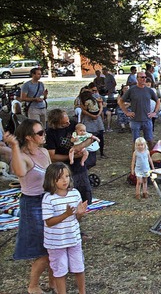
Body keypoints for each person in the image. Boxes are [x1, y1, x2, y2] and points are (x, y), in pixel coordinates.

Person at [5, 120, 55, 294]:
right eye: (40, 133)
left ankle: (52, 282)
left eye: (43, 131)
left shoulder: (43, 152)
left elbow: (51, 178)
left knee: (54, 245)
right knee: (44, 248)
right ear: (29, 137)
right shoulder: (23, 157)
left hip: (49, 200)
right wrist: (14, 147)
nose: (44, 134)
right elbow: (19, 172)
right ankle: (33, 286)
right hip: (32, 204)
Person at [41, 162, 88, 294]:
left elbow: (77, 219)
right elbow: (49, 222)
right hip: (56, 242)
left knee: (79, 267)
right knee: (60, 270)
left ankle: (82, 291)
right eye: (60, 177)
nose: (65, 180)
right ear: (51, 180)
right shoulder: (48, 198)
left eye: (67, 176)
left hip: (73, 238)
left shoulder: (75, 193)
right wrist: (66, 214)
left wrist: (79, 214)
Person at [45, 109, 95, 205]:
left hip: (79, 164)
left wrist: (79, 147)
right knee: (68, 190)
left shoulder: (73, 124)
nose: (68, 123)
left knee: (84, 190)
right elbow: (52, 156)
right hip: (63, 167)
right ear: (57, 123)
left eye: (68, 120)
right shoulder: (51, 133)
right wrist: (71, 156)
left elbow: (90, 138)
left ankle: (84, 204)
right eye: (64, 123)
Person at [118, 72, 160, 144]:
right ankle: (135, 155)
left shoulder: (149, 90)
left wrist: (154, 112)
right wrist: (126, 112)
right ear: (137, 78)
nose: (144, 79)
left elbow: (158, 101)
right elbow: (120, 101)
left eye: (145, 77)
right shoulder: (132, 90)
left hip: (147, 119)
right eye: (142, 77)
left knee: (150, 140)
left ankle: (149, 155)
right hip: (135, 120)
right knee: (136, 142)